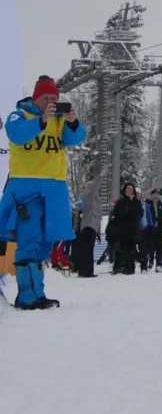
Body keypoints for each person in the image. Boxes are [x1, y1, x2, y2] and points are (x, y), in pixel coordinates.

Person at [1, 77, 87, 309]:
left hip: (54, 189)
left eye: (54, 99)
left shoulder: (58, 121)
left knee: (45, 243)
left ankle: (37, 293)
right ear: (36, 98)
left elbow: (77, 137)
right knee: (28, 239)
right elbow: (16, 134)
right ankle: (27, 296)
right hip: (26, 189)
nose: (51, 102)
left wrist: (72, 121)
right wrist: (41, 120)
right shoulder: (19, 115)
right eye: (46, 98)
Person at [107, 182, 143, 275]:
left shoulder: (137, 202)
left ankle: (130, 268)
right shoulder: (121, 202)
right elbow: (117, 214)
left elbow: (140, 214)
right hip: (123, 230)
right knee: (122, 248)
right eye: (128, 189)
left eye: (131, 189)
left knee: (132, 249)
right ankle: (119, 267)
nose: (130, 190)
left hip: (133, 229)